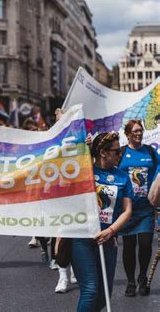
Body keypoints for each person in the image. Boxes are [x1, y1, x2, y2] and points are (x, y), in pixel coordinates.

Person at [71, 132, 132, 311]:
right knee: (90, 290)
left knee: (104, 295)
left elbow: (127, 211)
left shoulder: (122, 177)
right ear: (103, 153)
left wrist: (111, 231)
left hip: (107, 240)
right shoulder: (84, 172)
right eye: (116, 151)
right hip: (82, 238)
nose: (120, 155)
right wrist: (80, 144)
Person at [117, 119, 159, 296]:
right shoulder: (120, 153)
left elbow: (158, 171)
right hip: (127, 210)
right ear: (127, 134)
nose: (139, 134)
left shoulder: (150, 152)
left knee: (145, 243)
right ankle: (131, 282)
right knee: (128, 246)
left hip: (145, 209)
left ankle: (142, 276)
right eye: (135, 131)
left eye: (140, 131)